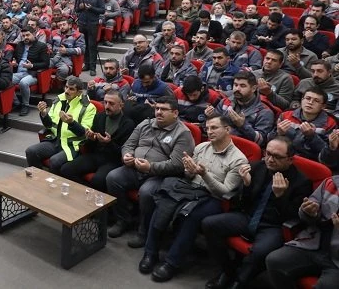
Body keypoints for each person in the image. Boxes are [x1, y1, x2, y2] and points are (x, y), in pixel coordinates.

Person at [139, 116, 247, 282]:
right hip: (189, 188)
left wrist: (203, 173)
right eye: (208, 128)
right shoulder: (202, 147)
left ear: (227, 129)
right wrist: (189, 170)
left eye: (214, 128)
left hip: (212, 197)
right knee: (164, 201)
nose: (209, 132)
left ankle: (171, 262)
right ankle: (150, 252)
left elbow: (224, 191)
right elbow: (189, 175)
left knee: (192, 216)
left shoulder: (238, 159)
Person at [202, 137, 312, 289]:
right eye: (268, 153)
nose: (270, 159)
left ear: (290, 159)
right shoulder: (257, 167)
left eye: (277, 157)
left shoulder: (301, 182)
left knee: (260, 252)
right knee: (209, 224)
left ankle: (239, 282)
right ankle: (228, 271)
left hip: (273, 226)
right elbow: (241, 205)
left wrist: (281, 197)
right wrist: (246, 185)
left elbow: (293, 219)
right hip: (249, 217)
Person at [105, 96, 196, 247]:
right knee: (112, 177)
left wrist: (150, 167)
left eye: (164, 109)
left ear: (175, 113)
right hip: (135, 167)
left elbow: (177, 165)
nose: (159, 112)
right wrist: (126, 155)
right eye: (157, 108)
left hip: (160, 175)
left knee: (147, 192)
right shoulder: (145, 124)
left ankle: (144, 231)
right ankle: (123, 220)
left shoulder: (183, 133)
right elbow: (128, 145)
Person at [265, 174, 339, 289]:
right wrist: (308, 212)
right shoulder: (331, 183)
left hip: (336, 261)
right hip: (314, 244)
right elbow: (309, 208)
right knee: (275, 260)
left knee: (326, 286)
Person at [59, 89, 135, 192]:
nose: (107, 106)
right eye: (105, 102)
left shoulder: (128, 124)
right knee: (66, 170)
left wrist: (108, 143)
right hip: (96, 155)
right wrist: (90, 138)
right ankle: (83, 194)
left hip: (113, 161)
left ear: (121, 105)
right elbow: (91, 144)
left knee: (98, 180)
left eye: (111, 103)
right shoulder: (100, 116)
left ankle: (96, 202)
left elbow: (124, 152)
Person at [24, 76, 96, 172]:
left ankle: (53, 184)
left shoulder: (88, 107)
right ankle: (38, 178)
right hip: (55, 140)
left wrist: (71, 123)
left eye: (71, 89)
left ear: (79, 92)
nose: (66, 91)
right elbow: (49, 125)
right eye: (66, 87)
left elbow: (84, 133)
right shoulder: (59, 100)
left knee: (54, 161)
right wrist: (44, 113)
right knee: (31, 151)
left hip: (72, 144)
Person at [206, 71, 275, 147]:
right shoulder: (225, 102)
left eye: (242, 86)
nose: (237, 89)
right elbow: (211, 130)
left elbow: (261, 141)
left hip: (243, 151)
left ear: (253, 88)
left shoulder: (264, 112)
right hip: (218, 144)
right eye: (235, 85)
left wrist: (242, 125)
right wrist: (209, 117)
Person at [270, 87, 337, 161]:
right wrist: (279, 134)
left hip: (311, 161)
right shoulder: (286, 115)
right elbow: (269, 141)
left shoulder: (331, 122)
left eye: (316, 101)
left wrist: (312, 137)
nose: (310, 102)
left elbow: (327, 155)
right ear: (302, 100)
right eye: (308, 98)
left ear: (323, 106)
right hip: (283, 157)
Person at [11, 27, 49, 116]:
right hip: (19, 72)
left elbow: (46, 64)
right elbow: (15, 58)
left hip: (33, 74)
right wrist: (14, 63)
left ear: (34, 34)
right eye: (23, 36)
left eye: (27, 35)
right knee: (5, 80)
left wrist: (32, 66)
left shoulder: (41, 46)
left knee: (23, 82)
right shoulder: (20, 45)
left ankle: (25, 105)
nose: (25, 38)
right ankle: (16, 102)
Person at [75, 0, 104, 75]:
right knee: (84, 45)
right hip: (82, 23)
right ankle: (86, 64)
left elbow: (102, 10)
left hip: (92, 23)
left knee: (92, 46)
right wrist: (80, 7)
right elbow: (76, 9)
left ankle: (92, 67)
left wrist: (91, 8)